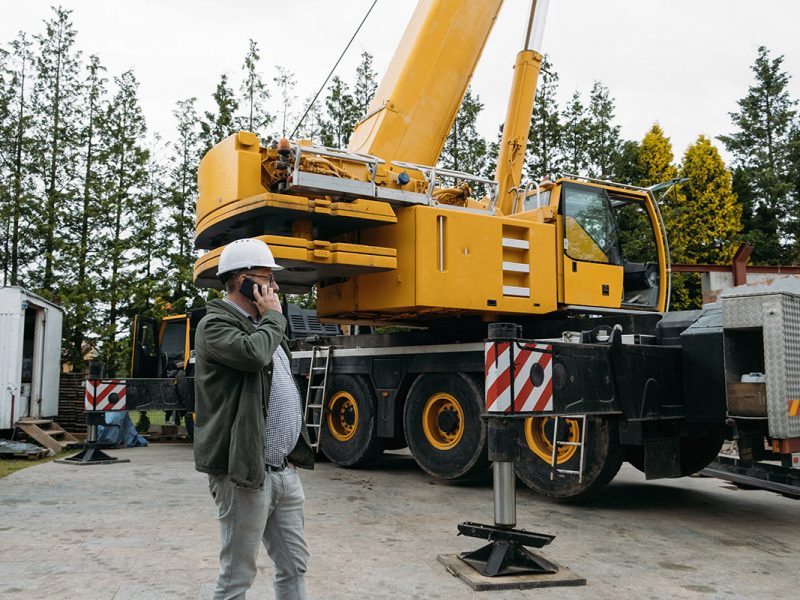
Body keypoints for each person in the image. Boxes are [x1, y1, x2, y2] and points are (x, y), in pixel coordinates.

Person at [194, 237, 315, 600]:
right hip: (245, 473)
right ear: (245, 280)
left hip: (283, 471)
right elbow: (253, 355)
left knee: (295, 565)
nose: (275, 287)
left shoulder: (265, 326)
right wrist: (275, 317)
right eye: (268, 278)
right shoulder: (214, 326)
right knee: (237, 576)